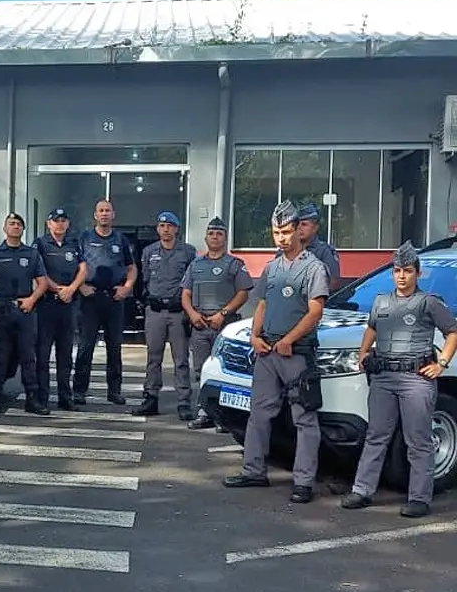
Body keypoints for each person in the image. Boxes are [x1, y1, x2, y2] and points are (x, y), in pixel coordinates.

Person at [224, 200, 331, 504]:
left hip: (296, 353)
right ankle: (254, 470)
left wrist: (289, 339)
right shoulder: (271, 267)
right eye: (276, 232)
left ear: (299, 230)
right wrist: (255, 336)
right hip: (268, 351)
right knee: (259, 413)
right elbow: (262, 304)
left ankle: (304, 481)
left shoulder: (314, 268)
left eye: (286, 231)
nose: (282, 238)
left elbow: (315, 312)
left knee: (305, 418)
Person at [341, 241, 457, 518]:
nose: (401, 276)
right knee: (376, 436)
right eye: (397, 271)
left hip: (415, 379)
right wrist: (362, 354)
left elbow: (452, 332)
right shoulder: (381, 301)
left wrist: (441, 363)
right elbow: (371, 329)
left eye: (407, 271)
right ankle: (362, 490)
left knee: (418, 440)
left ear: (417, 273)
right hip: (383, 377)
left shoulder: (429, 303)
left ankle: (419, 498)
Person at [181, 216, 255, 430]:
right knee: (201, 371)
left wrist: (223, 313)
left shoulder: (234, 264)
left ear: (225, 238)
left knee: (226, 371)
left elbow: (243, 293)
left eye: (219, 234)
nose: (215, 237)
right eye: (211, 233)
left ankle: (224, 417)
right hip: (200, 325)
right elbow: (185, 294)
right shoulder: (195, 264)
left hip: (224, 325)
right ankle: (204, 412)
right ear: (206, 237)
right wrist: (193, 314)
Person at [133, 211, 198, 419]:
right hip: (155, 312)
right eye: (162, 226)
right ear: (157, 229)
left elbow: (192, 282)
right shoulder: (148, 251)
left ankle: (184, 402)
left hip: (178, 313)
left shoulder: (187, 252)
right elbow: (144, 280)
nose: (166, 229)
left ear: (176, 229)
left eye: (170, 225)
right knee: (153, 358)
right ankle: (150, 397)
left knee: (181, 359)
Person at [0, 212, 48, 415]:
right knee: (1, 357)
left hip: (25, 310)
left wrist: (32, 299)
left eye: (19, 224)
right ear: (5, 228)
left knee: (28, 357)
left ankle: (32, 399)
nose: (15, 227)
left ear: (23, 229)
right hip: (1, 310)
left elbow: (43, 281)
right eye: (11, 224)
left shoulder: (31, 254)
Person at [73, 199, 136, 406]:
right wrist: (80, 287)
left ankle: (114, 391)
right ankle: (79, 391)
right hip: (89, 299)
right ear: (95, 215)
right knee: (85, 347)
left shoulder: (121, 240)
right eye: (100, 210)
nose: (104, 214)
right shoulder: (83, 238)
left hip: (114, 299)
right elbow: (73, 266)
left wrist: (127, 288)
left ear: (113, 214)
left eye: (108, 210)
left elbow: (131, 268)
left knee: (115, 348)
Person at [33, 207, 87, 412]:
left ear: (68, 224)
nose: (60, 224)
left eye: (63, 220)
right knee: (43, 354)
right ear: (48, 224)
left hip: (68, 304)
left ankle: (65, 397)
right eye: (56, 220)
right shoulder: (39, 244)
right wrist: (57, 288)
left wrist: (71, 289)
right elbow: (38, 271)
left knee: (65, 355)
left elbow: (83, 269)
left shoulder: (74, 244)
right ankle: (42, 398)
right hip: (47, 303)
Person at [295, 203, 341, 288]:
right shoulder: (287, 250)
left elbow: (332, 282)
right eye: (297, 224)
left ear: (315, 228)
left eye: (304, 224)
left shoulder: (324, 251)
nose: (299, 228)